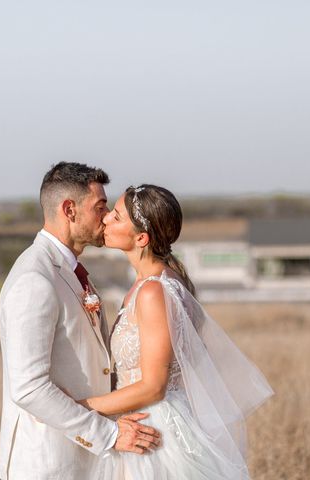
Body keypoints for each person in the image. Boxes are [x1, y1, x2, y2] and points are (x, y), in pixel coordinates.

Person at [79, 184, 274, 479]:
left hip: (154, 434)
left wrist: (83, 408)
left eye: (116, 217)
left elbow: (154, 386)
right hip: (144, 422)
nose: (105, 219)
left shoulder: (153, 292)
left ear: (141, 238)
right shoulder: (157, 283)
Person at [0, 164, 160, 480]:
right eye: (100, 207)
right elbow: (28, 388)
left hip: (84, 461)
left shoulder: (69, 270)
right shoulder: (34, 279)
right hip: (47, 464)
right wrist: (108, 434)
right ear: (70, 210)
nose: (108, 217)